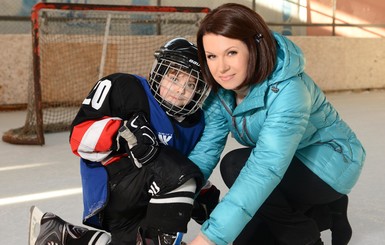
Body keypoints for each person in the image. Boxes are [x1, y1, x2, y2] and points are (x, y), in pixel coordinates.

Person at [187, 3, 366, 245]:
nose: (221, 67)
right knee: (245, 240)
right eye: (212, 56)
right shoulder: (223, 92)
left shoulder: (290, 90)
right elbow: (206, 150)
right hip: (290, 159)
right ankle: (322, 213)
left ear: (254, 46)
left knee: (236, 164)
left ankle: (307, 234)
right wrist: (174, 199)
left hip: (332, 163)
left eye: (232, 53)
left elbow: (264, 168)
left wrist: (209, 238)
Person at [28, 38, 220, 245]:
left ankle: (63, 235)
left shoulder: (194, 123)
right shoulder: (126, 88)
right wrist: (122, 133)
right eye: (174, 78)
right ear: (159, 71)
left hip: (146, 205)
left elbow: (180, 166)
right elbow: (78, 137)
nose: (181, 90)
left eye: (191, 84)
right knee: (180, 178)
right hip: (115, 192)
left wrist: (203, 190)